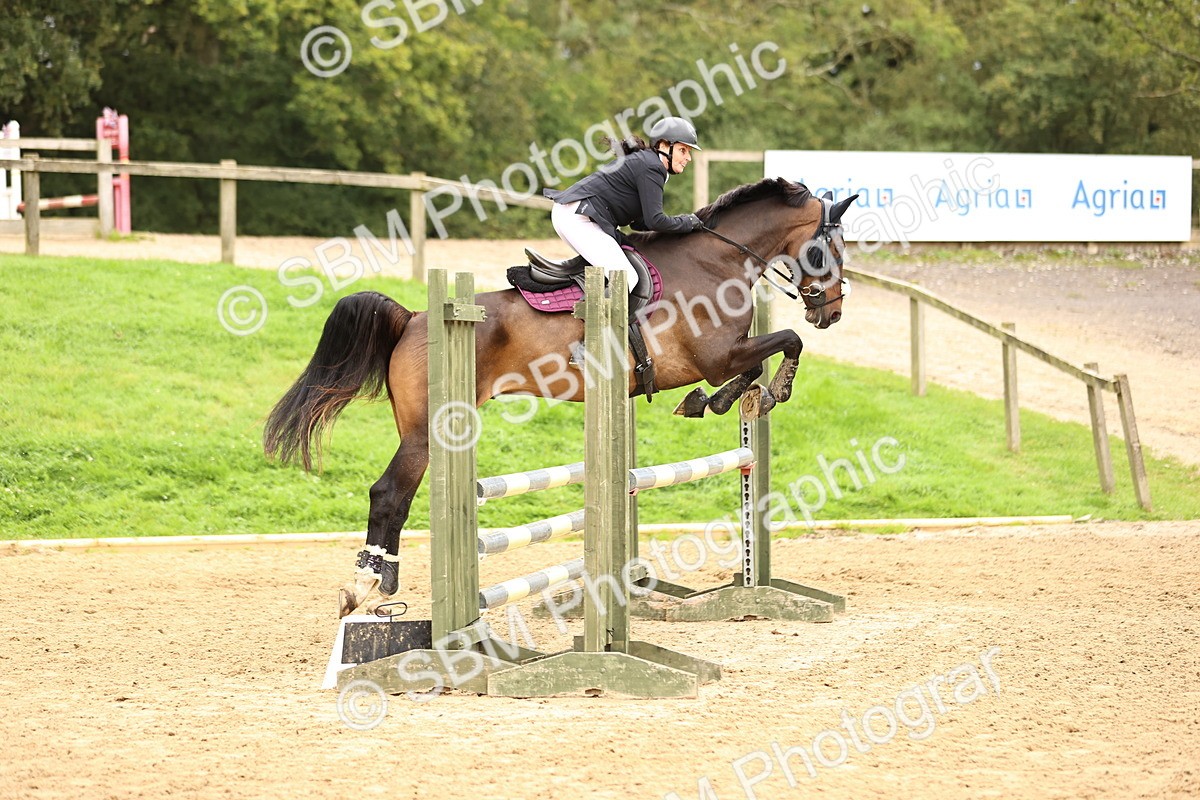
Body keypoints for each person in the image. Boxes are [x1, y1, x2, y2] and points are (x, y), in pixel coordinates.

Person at [543, 116, 705, 295]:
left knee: (610, 273)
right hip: (579, 218)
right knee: (626, 279)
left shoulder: (647, 162)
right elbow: (655, 221)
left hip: (572, 214)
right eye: (683, 150)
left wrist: (679, 225)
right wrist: (687, 223)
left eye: (688, 151)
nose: (688, 158)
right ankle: (588, 314)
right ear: (664, 145)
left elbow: (640, 222)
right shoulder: (652, 167)